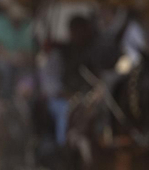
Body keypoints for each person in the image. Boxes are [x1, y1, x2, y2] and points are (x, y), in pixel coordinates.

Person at [39, 12, 102, 145]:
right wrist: (68, 95)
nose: (81, 34)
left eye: (83, 30)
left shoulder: (95, 51)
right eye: (76, 30)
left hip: (91, 97)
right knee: (66, 113)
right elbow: (50, 84)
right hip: (61, 99)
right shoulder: (59, 54)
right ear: (71, 32)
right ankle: (64, 148)